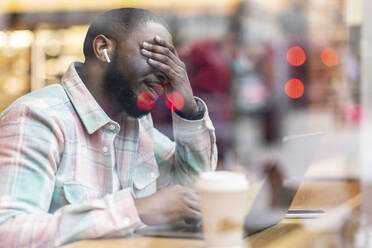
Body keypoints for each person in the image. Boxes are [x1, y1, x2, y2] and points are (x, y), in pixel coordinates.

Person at [0, 8, 217, 247]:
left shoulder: (135, 124)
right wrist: (134, 210)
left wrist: (188, 110)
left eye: (170, 60)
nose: (166, 73)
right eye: (154, 54)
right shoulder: (38, 117)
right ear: (104, 49)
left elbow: (192, 192)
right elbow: (7, 232)